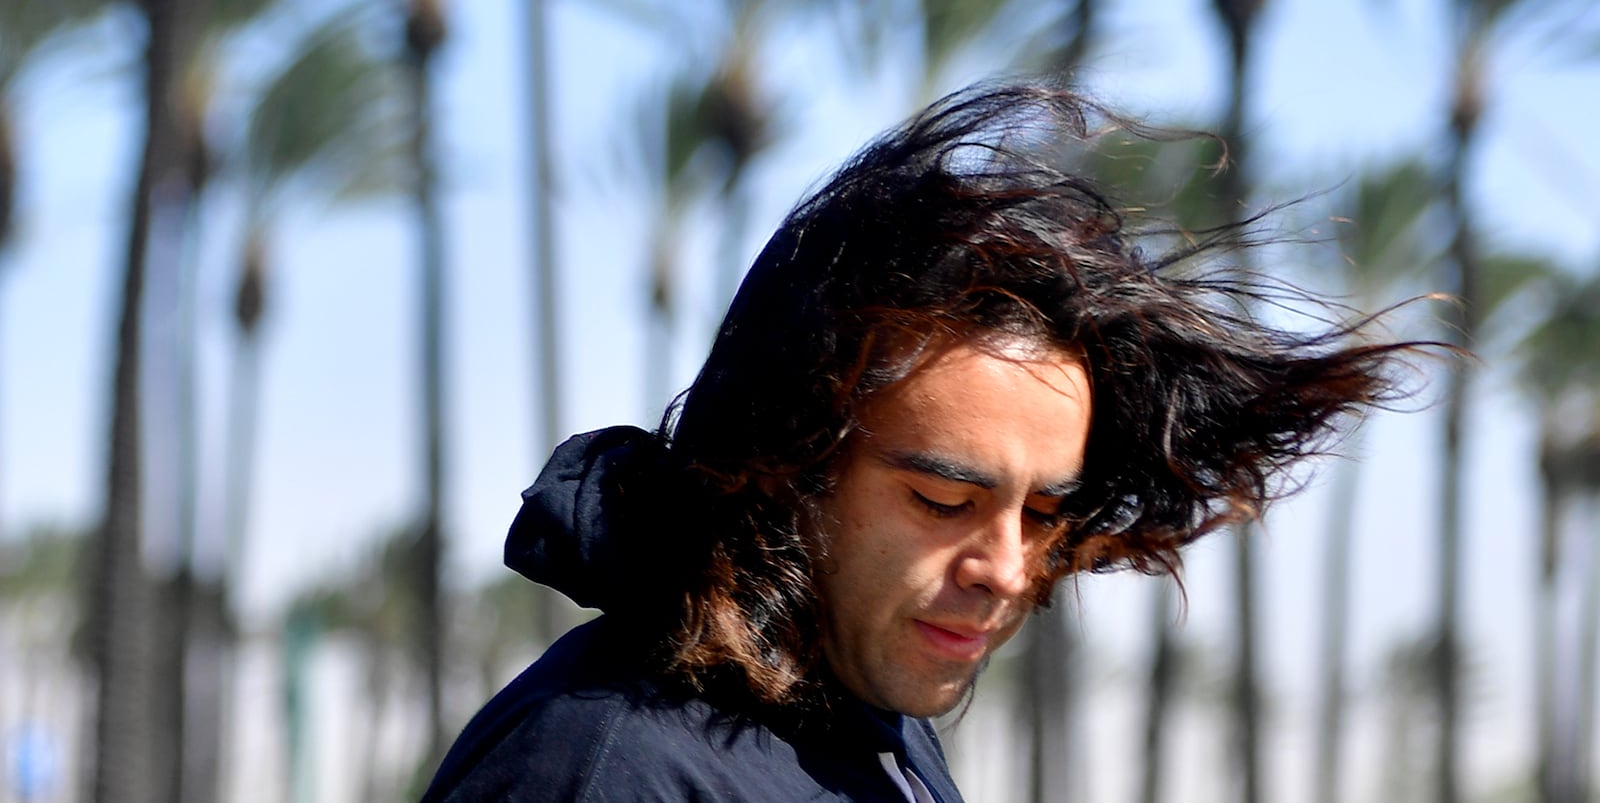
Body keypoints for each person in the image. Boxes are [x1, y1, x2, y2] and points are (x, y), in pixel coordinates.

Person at [421, 81, 1415, 802]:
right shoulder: (607, 763)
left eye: (1040, 513)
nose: (1006, 567)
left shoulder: (875, 732)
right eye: (943, 501)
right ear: (789, 470)